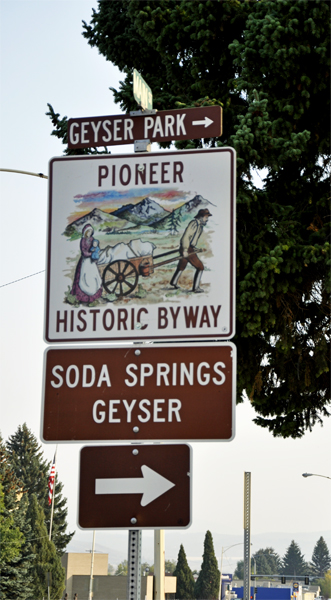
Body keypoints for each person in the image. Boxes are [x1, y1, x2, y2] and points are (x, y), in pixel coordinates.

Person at [170, 208, 212, 293]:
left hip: (189, 248)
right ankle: (196, 288)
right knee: (200, 267)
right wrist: (185, 249)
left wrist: (194, 248)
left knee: (182, 265)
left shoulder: (199, 226)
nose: (207, 219)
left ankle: (173, 282)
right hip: (187, 248)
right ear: (201, 217)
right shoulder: (194, 224)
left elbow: (192, 241)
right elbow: (186, 237)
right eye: (206, 217)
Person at [71, 224, 103, 303]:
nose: (89, 233)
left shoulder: (92, 239)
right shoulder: (83, 240)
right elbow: (83, 251)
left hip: (92, 260)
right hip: (85, 260)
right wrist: (90, 254)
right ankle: (85, 294)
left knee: (94, 275)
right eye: (88, 232)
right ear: (85, 232)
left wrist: (96, 250)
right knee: (84, 276)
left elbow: (96, 246)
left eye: (91, 232)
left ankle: (94, 292)